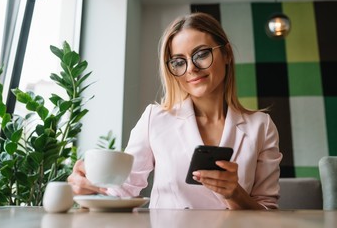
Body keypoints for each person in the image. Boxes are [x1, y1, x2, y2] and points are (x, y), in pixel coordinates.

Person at [68, 12, 283, 210]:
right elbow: (121, 191)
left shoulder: (261, 126)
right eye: (179, 62)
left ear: (226, 54)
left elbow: (268, 212)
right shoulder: (155, 119)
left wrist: (235, 194)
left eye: (201, 54)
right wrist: (88, 190)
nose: (191, 68)